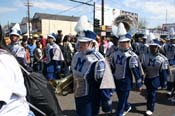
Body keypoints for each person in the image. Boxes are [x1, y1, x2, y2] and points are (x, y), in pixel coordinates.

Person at [71, 16, 114, 116]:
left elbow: (104, 84)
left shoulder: (98, 60)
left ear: (91, 43)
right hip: (78, 94)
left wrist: (106, 101)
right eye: (80, 41)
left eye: (84, 42)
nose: (80, 44)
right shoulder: (77, 55)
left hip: (90, 98)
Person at [110, 22, 143, 116]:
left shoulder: (131, 56)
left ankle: (119, 113)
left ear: (129, 43)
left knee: (122, 99)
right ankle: (127, 106)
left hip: (126, 81)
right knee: (121, 98)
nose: (123, 44)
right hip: (117, 79)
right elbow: (113, 67)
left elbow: (135, 71)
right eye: (121, 42)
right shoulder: (115, 53)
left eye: (125, 42)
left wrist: (139, 82)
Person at [0, 25, 32, 116]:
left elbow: (22, 62)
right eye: (11, 35)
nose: (13, 37)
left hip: (18, 73)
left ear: (18, 37)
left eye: (15, 36)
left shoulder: (20, 48)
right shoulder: (7, 47)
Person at [141, 36, 169, 115]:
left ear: (158, 47)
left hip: (155, 78)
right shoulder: (145, 56)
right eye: (151, 46)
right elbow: (142, 67)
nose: (152, 48)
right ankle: (150, 102)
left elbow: (163, 73)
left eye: (154, 47)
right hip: (147, 78)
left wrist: (164, 83)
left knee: (152, 93)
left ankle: (150, 109)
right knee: (150, 93)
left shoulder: (162, 59)